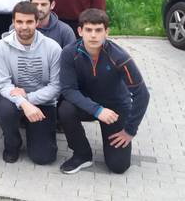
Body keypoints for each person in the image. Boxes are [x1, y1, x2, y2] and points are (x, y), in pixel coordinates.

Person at [58, 9, 150, 174]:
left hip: (114, 110)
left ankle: (113, 143)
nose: (93, 35)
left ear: (106, 32)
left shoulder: (120, 57)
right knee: (65, 109)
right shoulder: (69, 53)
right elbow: (68, 90)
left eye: (98, 30)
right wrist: (97, 110)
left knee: (118, 166)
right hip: (87, 105)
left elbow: (142, 94)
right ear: (80, 31)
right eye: (88, 30)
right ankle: (82, 154)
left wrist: (130, 130)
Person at [0, 2, 61, 165]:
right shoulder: (1, 47)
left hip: (43, 102)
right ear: (13, 22)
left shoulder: (53, 48)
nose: (24, 27)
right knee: (5, 109)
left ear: (37, 22)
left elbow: (56, 86)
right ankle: (13, 143)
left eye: (29, 22)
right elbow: (3, 84)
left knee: (44, 158)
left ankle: (34, 131)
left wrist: (28, 99)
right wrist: (24, 103)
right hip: (12, 99)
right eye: (20, 22)